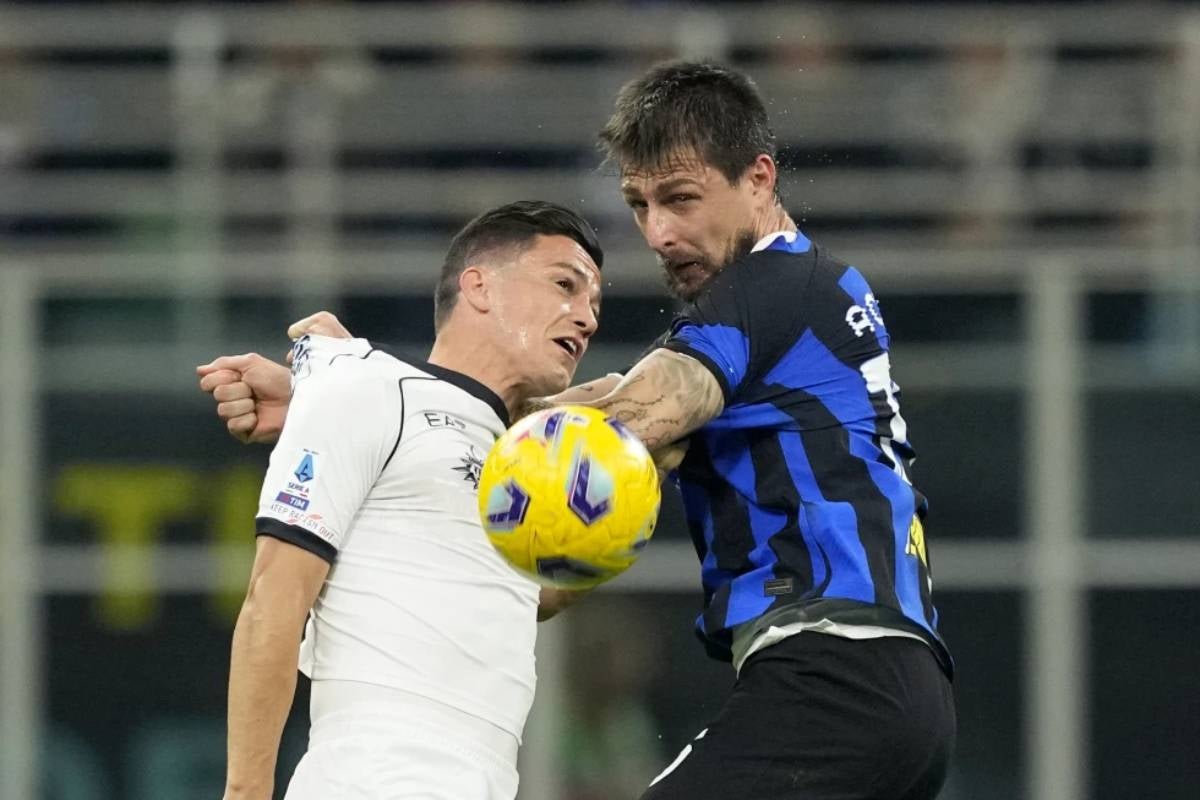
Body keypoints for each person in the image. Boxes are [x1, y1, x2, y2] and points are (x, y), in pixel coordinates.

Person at [558, 60, 956, 799]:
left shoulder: (768, 287)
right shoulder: (802, 290)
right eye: (639, 205)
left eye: (681, 198)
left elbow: (632, 418)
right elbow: (626, 401)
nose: (659, 233)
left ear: (759, 179)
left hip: (836, 679)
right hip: (889, 687)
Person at [196, 200, 609, 800]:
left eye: (594, 303)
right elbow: (273, 601)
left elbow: (519, 598)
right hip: (378, 775)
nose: (587, 318)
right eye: (564, 285)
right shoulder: (364, 385)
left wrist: (609, 529)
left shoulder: (513, 459)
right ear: (479, 286)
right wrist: (245, 794)